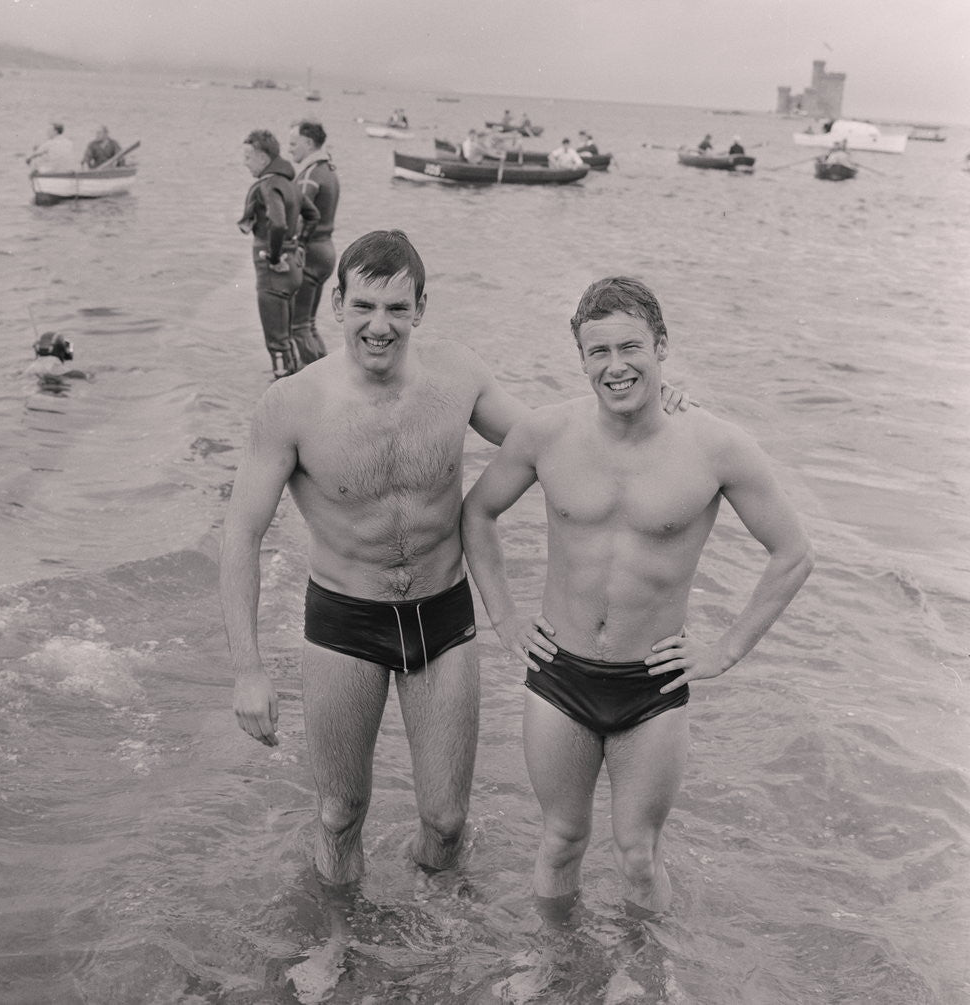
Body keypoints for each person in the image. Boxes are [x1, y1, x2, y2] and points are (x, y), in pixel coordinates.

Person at [220, 233, 689, 886]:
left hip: (441, 615)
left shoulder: (457, 378)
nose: (379, 325)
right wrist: (248, 668)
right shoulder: (292, 405)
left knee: (445, 820)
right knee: (338, 812)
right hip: (345, 621)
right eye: (363, 306)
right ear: (336, 303)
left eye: (396, 308)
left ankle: (431, 939)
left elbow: (549, 442)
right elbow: (241, 532)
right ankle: (338, 941)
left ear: (421, 308)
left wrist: (644, 403)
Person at [461, 275, 814, 917]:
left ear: (662, 347)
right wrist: (505, 617)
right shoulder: (546, 435)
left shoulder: (716, 447)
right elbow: (477, 513)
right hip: (560, 676)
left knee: (638, 854)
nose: (616, 367)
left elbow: (793, 554)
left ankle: (644, 974)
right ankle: (551, 968)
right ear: (582, 359)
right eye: (599, 352)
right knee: (561, 841)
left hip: (651, 686)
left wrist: (726, 650)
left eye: (631, 348)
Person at [238, 129, 320, 379]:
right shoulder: (290, 185)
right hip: (293, 267)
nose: (245, 163)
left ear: (263, 158)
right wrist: (299, 246)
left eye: (248, 157)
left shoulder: (268, 186)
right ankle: (296, 386)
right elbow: (313, 216)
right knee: (286, 337)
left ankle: (280, 397)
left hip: (273, 271)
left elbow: (279, 223)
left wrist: (274, 258)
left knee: (276, 343)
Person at [287, 119, 340, 365]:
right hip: (326, 251)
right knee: (308, 323)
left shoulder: (309, 175)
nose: (290, 149)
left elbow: (297, 218)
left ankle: (312, 382)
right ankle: (326, 372)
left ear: (309, 143)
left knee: (297, 326)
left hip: (310, 252)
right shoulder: (327, 169)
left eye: (293, 143)